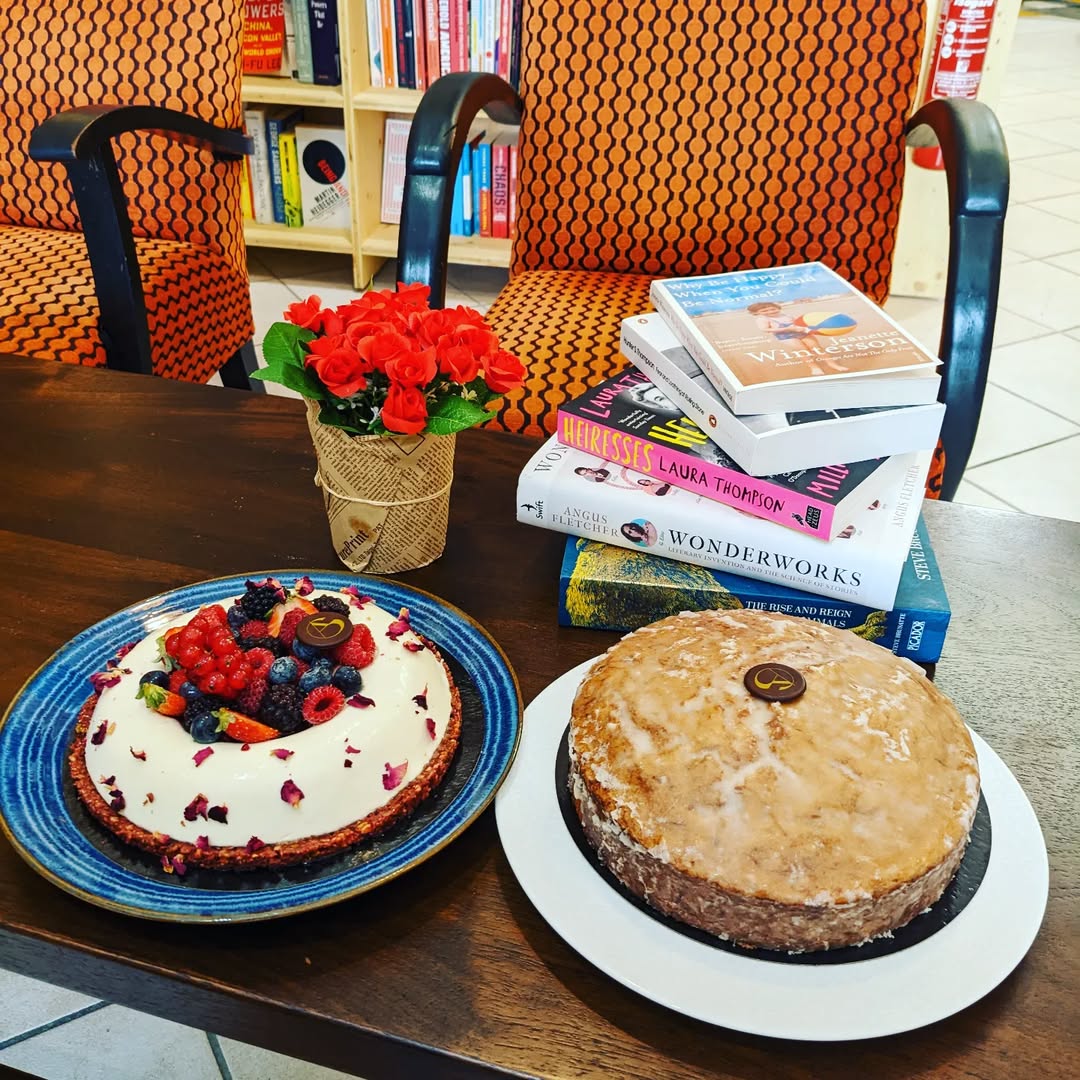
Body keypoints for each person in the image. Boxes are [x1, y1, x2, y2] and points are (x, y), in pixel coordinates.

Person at [746, 301, 848, 376]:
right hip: (786, 337)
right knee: (802, 351)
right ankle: (814, 367)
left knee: (817, 348)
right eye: (765, 310)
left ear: (778, 308)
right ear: (756, 313)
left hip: (802, 333)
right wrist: (787, 328)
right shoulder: (762, 319)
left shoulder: (786, 315)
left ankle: (833, 364)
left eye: (773, 309)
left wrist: (807, 328)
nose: (770, 311)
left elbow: (800, 322)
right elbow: (765, 330)